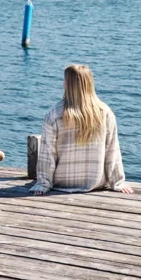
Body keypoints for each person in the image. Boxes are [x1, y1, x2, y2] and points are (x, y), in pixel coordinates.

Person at [30, 65, 132, 195]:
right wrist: (117, 182)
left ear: (67, 84)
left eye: (65, 80)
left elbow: (48, 154)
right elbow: (112, 151)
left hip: (62, 183)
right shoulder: (105, 113)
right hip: (96, 183)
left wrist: (43, 184)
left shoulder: (53, 115)